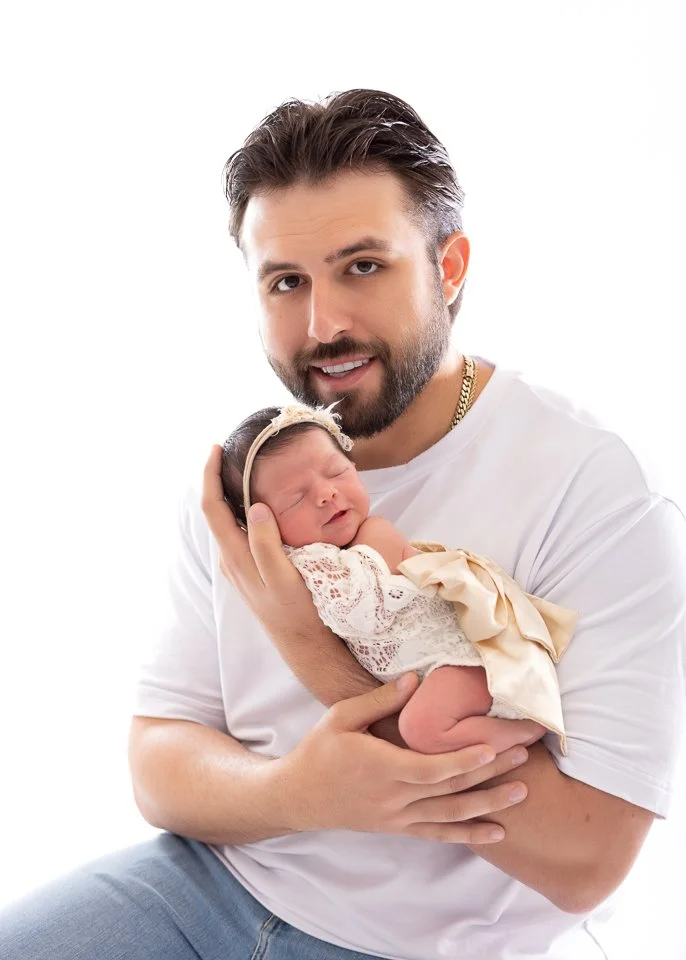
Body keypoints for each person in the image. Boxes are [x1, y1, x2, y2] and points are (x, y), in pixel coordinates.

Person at [1, 88, 685, 960]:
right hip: (211, 882)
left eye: (363, 266)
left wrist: (315, 654)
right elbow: (158, 761)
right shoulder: (244, 476)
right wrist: (300, 793)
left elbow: (587, 859)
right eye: (287, 281)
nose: (323, 325)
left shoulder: (596, 488)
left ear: (450, 267)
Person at [220, 399, 578, 756]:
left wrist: (289, 593)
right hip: (429, 677)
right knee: (417, 728)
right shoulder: (322, 559)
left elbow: (360, 612)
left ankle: (522, 731)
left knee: (419, 729)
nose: (327, 494)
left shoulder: (375, 535)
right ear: (261, 525)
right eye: (296, 498)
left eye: (336, 473)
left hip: (459, 663)